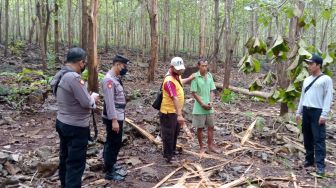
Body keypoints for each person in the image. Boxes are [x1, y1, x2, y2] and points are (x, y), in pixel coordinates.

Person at [50, 47, 99, 188]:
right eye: (84, 63)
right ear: (80, 62)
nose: (84, 66)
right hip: (75, 126)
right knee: (76, 164)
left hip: (62, 121)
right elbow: (86, 103)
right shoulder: (74, 77)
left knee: (64, 158)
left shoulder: (60, 74)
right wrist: (93, 97)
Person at [296, 53, 333, 176]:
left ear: (318, 65)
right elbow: (303, 96)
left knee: (319, 139)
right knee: (307, 137)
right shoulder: (306, 80)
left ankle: (320, 165)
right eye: (308, 63)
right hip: (306, 110)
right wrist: (298, 111)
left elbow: (328, 97)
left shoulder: (326, 79)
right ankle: (309, 160)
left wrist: (324, 114)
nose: (309, 66)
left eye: (311, 64)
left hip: (317, 111)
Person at [160, 57, 194, 163]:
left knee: (175, 132)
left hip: (175, 111)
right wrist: (179, 115)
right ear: (171, 67)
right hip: (168, 112)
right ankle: (168, 156)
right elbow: (174, 97)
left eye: (181, 69)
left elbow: (180, 83)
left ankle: (173, 151)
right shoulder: (169, 81)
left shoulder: (176, 76)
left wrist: (190, 78)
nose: (180, 71)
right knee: (168, 134)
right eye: (178, 69)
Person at [101, 54, 130, 181]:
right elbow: (109, 102)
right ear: (117, 64)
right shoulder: (109, 80)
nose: (125, 68)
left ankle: (110, 165)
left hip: (118, 115)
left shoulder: (115, 79)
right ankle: (109, 171)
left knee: (115, 142)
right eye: (124, 66)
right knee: (113, 142)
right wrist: (114, 120)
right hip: (114, 117)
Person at [191, 58, 220, 154]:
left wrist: (211, 102)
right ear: (198, 66)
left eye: (206, 66)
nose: (205, 68)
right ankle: (201, 147)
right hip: (199, 108)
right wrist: (202, 104)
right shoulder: (195, 77)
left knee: (211, 126)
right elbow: (194, 93)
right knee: (200, 128)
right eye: (202, 66)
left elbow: (212, 90)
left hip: (209, 107)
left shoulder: (210, 75)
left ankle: (210, 145)